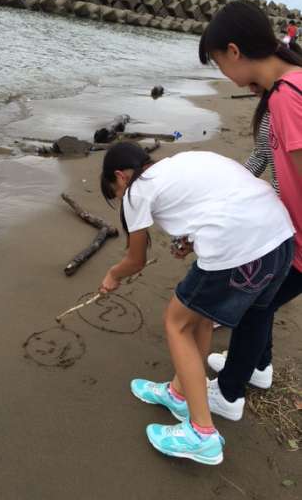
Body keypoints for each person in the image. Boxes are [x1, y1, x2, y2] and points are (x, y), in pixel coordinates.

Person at [99, 142, 294, 465]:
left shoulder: (138, 190)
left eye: (116, 191)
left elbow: (136, 260)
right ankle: (179, 394)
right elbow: (217, 200)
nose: (122, 197)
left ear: (120, 175)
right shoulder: (180, 162)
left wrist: (112, 275)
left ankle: (202, 435)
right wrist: (191, 240)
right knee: (200, 315)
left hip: (241, 248)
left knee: (176, 323)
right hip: (280, 241)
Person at [198, 0, 302, 420]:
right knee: (262, 303)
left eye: (220, 63)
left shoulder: (288, 98)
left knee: (252, 303)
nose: (225, 74)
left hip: (298, 239)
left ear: (235, 51)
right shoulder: (289, 87)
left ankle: (227, 394)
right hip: (291, 232)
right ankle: (258, 367)